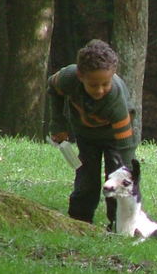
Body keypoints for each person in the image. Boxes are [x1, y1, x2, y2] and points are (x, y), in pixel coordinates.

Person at [47, 39, 137, 228]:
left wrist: (127, 170)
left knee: (116, 177)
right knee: (86, 179)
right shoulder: (68, 78)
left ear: (113, 75)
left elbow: (126, 145)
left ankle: (119, 224)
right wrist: (58, 123)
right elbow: (53, 89)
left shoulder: (116, 102)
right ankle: (80, 221)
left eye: (105, 83)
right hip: (85, 135)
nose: (100, 90)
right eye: (93, 85)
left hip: (115, 139)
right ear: (81, 76)